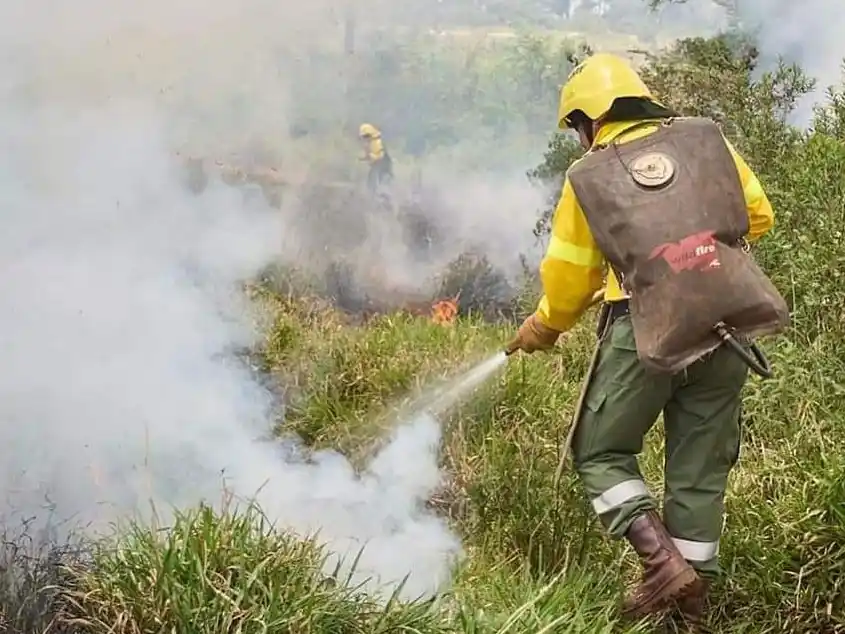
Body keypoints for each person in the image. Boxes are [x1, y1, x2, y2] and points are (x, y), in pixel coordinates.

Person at [506, 53, 788, 631]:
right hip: (725, 327)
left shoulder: (590, 176)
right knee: (699, 468)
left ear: (588, 120)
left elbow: (571, 274)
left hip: (643, 330)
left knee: (600, 451)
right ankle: (691, 613)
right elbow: (757, 215)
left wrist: (545, 327)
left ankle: (661, 564)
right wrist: (697, 251)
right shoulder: (707, 143)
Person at [358, 123, 393, 195]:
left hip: (383, 164)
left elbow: (380, 155)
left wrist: (371, 156)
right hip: (377, 164)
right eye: (364, 137)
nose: (365, 139)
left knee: (380, 181)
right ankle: (373, 194)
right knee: (371, 181)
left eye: (366, 136)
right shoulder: (370, 143)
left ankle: (383, 195)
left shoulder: (377, 142)